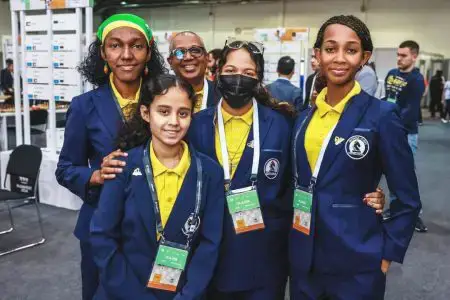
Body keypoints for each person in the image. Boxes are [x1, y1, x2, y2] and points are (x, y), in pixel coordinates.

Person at [189, 39, 387, 300]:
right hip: (210, 254)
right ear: (216, 74)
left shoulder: (283, 124)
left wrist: (364, 191)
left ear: (259, 78)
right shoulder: (195, 126)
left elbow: (311, 175)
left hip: (266, 256)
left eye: (248, 73)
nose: (239, 78)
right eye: (230, 71)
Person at [290, 15, 421, 300]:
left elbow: (408, 197)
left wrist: (386, 254)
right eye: (330, 48)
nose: (339, 58)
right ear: (317, 55)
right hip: (304, 259)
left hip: (357, 259)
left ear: (364, 57)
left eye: (350, 50)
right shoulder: (302, 119)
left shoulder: (381, 116)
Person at [55, 14, 166, 300]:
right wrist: (93, 175)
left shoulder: (162, 102)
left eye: (136, 46)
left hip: (154, 226)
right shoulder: (84, 106)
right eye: (116, 46)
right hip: (101, 227)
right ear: (103, 53)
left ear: (149, 52)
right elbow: (66, 169)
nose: (126, 55)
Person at [90, 74, 225, 299]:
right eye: (163, 112)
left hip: (181, 292)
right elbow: (102, 236)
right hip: (124, 291)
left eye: (183, 113)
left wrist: (188, 295)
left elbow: (210, 244)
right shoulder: (122, 166)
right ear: (146, 113)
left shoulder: (209, 172)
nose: (174, 121)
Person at [384, 40, 427, 232]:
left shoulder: (417, 80)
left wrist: (394, 127)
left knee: (407, 174)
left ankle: (414, 213)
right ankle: (395, 208)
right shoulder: (391, 75)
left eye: (404, 55)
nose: (399, 58)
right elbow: (387, 100)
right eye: (398, 55)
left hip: (406, 133)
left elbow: (409, 110)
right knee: (393, 172)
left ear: (414, 56)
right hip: (390, 130)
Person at [167, 31, 217, 113]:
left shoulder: (222, 96)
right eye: (180, 52)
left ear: (207, 58)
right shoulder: (159, 95)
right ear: (170, 62)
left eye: (195, 51)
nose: (188, 57)